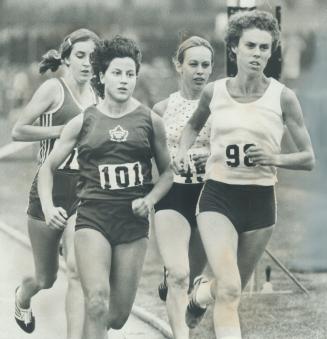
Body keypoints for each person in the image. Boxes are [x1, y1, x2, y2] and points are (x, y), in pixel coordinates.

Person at [173, 10, 315, 339]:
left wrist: (273, 157)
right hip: (218, 197)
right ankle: (207, 296)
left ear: (272, 51)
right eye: (251, 46)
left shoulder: (284, 98)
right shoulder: (215, 92)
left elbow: (308, 158)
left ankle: (199, 295)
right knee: (233, 288)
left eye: (265, 48)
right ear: (235, 47)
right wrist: (181, 152)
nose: (258, 54)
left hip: (260, 203)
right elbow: (192, 127)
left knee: (226, 289)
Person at [37, 36, 173, 339]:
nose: (124, 80)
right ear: (101, 76)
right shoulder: (83, 121)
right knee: (96, 302)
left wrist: (150, 199)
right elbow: (48, 168)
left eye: (130, 74)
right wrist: (48, 206)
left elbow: (168, 174)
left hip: (132, 225)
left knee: (117, 315)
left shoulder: (151, 122)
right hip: (92, 219)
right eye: (117, 73)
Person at [12, 28, 100, 338]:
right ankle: (22, 297)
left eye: (92, 56)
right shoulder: (53, 89)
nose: (87, 63)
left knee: (76, 269)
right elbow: (18, 130)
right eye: (80, 56)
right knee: (45, 277)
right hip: (49, 188)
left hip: (84, 190)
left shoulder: (100, 95)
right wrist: (63, 131)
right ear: (66, 58)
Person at [153, 36, 213, 339]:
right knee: (178, 274)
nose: (200, 71)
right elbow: (150, 156)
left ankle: (192, 297)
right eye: (193, 64)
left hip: (210, 199)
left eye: (205, 65)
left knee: (191, 277)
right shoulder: (163, 108)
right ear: (179, 66)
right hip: (173, 195)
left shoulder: (221, 106)